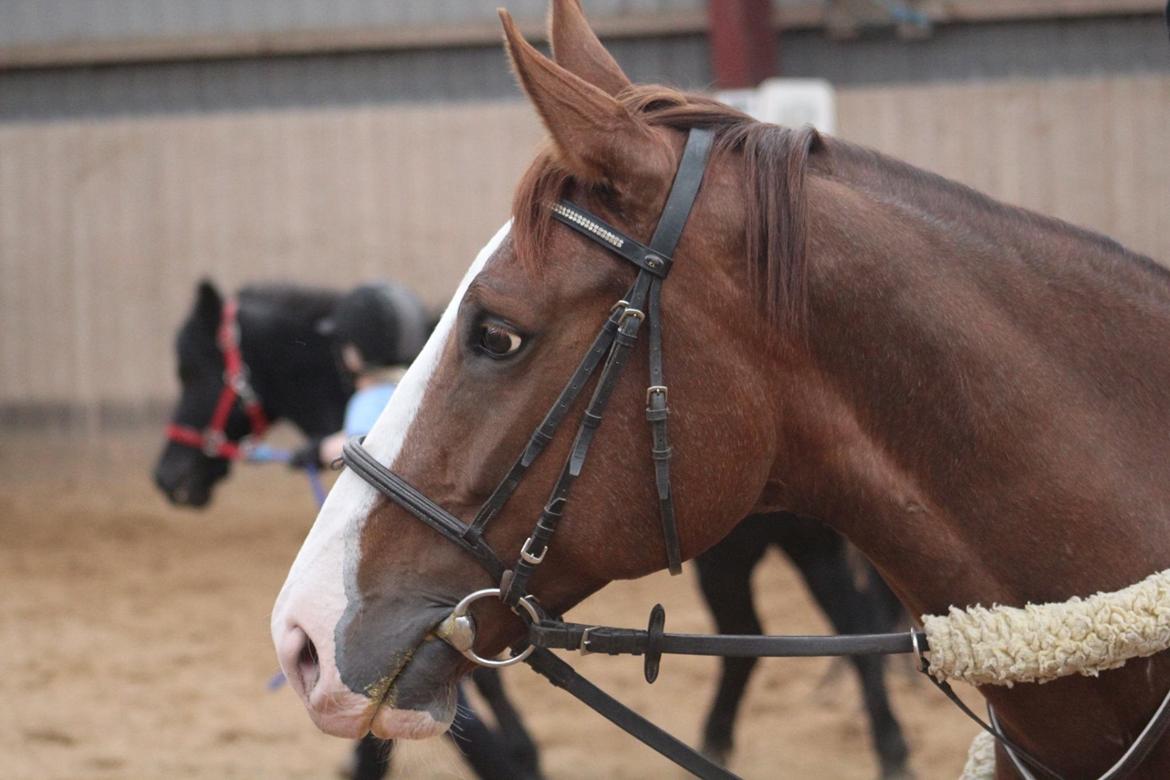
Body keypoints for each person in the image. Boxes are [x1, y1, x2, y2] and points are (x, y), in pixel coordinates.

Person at [292, 281, 541, 780]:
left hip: (400, 573)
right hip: (444, 558)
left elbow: (366, 446)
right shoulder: (421, 393)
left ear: (353, 353)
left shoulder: (367, 402)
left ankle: (507, 772)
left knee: (416, 681)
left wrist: (319, 449)